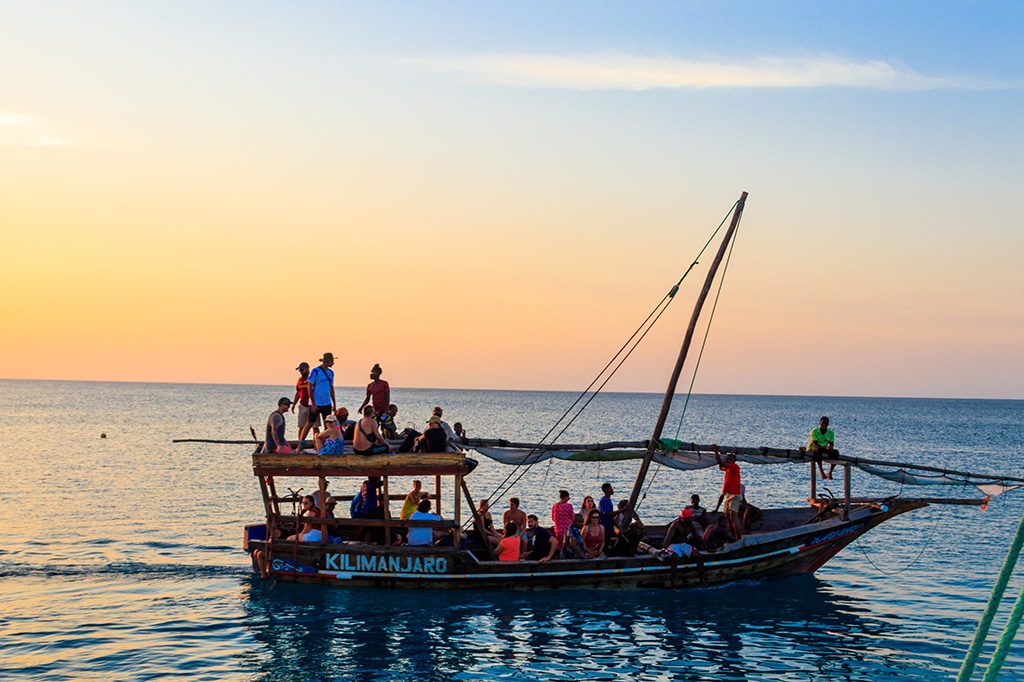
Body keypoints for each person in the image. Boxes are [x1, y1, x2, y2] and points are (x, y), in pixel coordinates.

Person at [655, 512, 707, 586]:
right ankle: (672, 583)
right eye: (689, 518)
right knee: (675, 558)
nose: (691, 520)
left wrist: (707, 548)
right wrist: (664, 549)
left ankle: (702, 580)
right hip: (673, 545)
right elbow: (668, 538)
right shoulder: (676, 525)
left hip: (683, 544)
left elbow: (698, 538)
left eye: (691, 518)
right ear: (684, 519)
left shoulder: (691, 525)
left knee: (699, 557)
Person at [298, 352, 336, 447]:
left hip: (326, 402)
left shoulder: (331, 373)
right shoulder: (315, 371)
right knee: (309, 423)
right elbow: (309, 387)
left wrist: (334, 403)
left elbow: (331, 388)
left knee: (327, 424)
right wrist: (313, 404)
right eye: (332, 361)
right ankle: (300, 444)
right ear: (327, 361)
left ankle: (324, 444)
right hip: (316, 403)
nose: (333, 363)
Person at [714, 445, 743, 540]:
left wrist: (716, 451)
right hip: (728, 495)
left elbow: (720, 462)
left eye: (730, 460)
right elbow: (720, 466)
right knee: (729, 518)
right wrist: (722, 455)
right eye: (728, 459)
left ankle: (739, 537)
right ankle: (733, 536)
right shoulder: (728, 469)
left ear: (734, 461)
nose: (729, 461)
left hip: (734, 495)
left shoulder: (735, 467)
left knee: (734, 517)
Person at [291, 361, 311, 444]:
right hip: (302, 405)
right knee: (301, 425)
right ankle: (300, 443)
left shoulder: (311, 379)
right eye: (300, 370)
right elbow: (298, 393)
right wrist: (294, 404)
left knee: (314, 425)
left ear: (307, 369)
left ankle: (316, 443)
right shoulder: (299, 380)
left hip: (311, 405)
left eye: (302, 370)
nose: (300, 372)